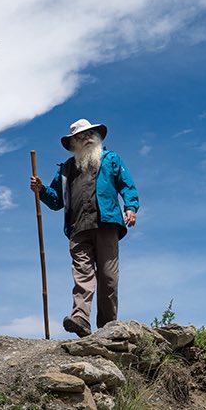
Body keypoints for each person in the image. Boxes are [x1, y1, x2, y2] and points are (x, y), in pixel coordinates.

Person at [30, 119, 139, 337]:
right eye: (80, 136)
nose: (87, 138)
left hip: (106, 224)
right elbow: (56, 201)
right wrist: (41, 190)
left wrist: (130, 207)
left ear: (97, 137)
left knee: (108, 277)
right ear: (74, 144)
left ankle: (108, 326)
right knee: (82, 274)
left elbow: (127, 185)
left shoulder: (111, 160)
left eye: (90, 134)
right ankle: (80, 318)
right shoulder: (66, 170)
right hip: (78, 228)